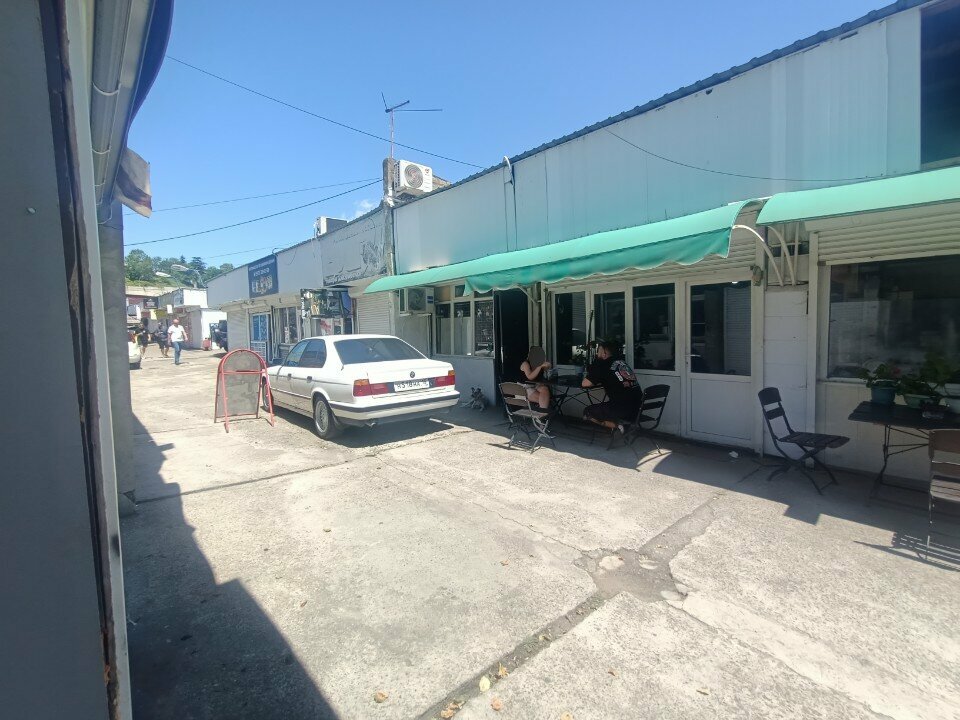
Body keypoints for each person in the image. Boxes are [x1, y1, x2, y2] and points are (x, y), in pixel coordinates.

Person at [581, 340, 643, 432]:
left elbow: (585, 384)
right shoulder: (622, 363)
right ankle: (622, 426)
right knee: (609, 405)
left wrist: (595, 367)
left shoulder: (603, 365)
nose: (597, 354)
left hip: (622, 410)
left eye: (598, 351)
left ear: (604, 353)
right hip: (638, 409)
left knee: (588, 412)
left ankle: (620, 426)